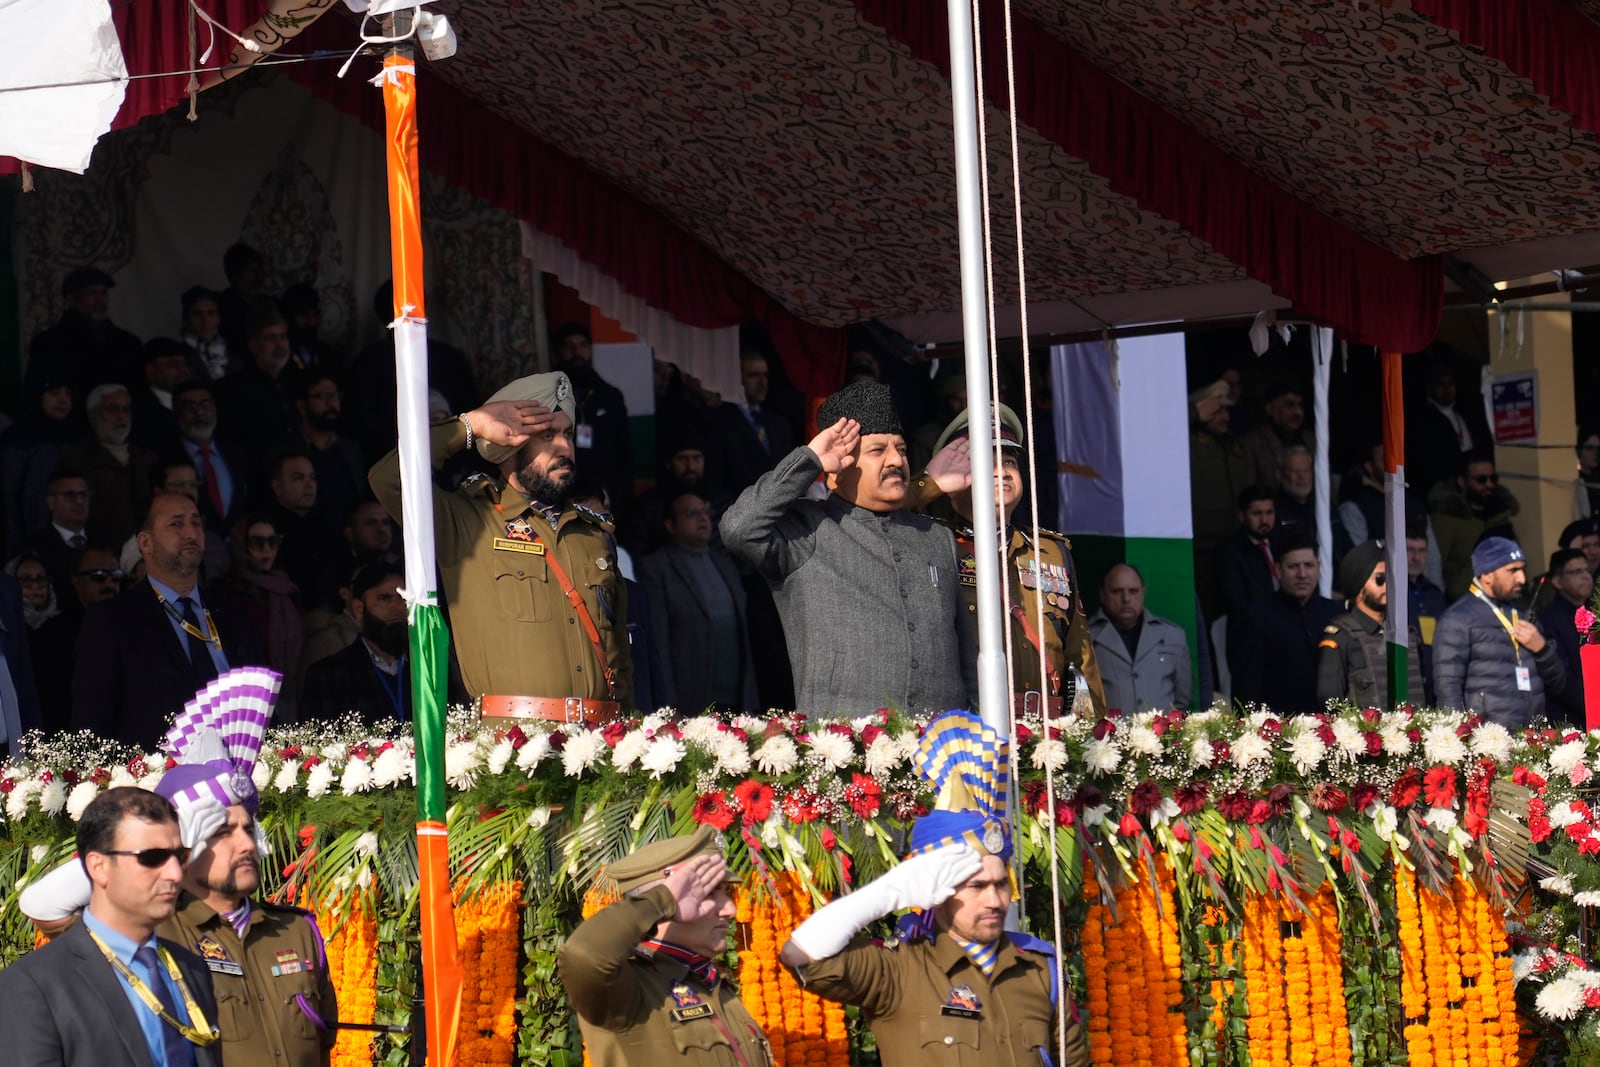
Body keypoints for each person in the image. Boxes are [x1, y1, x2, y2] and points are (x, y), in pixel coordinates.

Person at [22, 670, 336, 1067]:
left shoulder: (295, 930)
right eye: (220, 831)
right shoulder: (147, 932)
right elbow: (41, 903)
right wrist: (165, 844)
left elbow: (322, 1045)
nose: (245, 844)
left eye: (247, 828)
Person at [780, 709, 1089, 1067]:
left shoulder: (1039, 970)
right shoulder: (898, 971)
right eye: (976, 886)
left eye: (1001, 884)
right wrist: (891, 892)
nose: (995, 900)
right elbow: (801, 955)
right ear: (937, 889)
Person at [369, 371, 633, 713]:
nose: (565, 447)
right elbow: (388, 479)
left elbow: (620, 659)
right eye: (547, 435)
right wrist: (471, 425)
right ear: (511, 444)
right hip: (512, 749)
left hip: (601, 744)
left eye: (567, 433)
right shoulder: (465, 522)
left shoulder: (593, 534)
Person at [721, 381, 977, 716]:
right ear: (835, 473)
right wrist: (809, 460)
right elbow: (739, 528)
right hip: (845, 754)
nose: (895, 460)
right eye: (877, 451)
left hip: (945, 749)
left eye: (900, 449)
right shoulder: (806, 531)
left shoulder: (935, 537)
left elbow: (966, 657)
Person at [0, 787, 223, 1067]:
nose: (175, 873)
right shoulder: (35, 985)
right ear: (98, 867)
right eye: (152, 857)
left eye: (179, 857)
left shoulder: (192, 969)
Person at [913, 404, 1106, 716]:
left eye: (1009, 461)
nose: (1001, 470)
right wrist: (929, 485)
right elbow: (877, 521)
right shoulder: (930, 544)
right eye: (984, 463)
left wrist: (1090, 739)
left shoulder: (1051, 552)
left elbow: (1079, 657)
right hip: (967, 734)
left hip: (1046, 736)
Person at [557, 827, 765, 1067]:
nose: (730, 910)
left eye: (726, 893)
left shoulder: (712, 983)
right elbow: (584, 955)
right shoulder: (626, 990)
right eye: (709, 893)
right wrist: (660, 901)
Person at [71, 493, 263, 750]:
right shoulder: (112, 620)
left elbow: (262, 705)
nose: (191, 533)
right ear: (146, 543)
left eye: (196, 523)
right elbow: (91, 722)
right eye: (176, 524)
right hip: (156, 783)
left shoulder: (235, 616)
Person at [636, 491, 758, 712]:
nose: (703, 518)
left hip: (735, 697)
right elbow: (658, 641)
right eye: (692, 513)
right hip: (688, 699)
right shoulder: (656, 567)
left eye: (705, 511)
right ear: (671, 525)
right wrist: (668, 703)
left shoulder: (725, 564)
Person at [1433, 537, 1565, 727]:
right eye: (1512, 570)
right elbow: (1447, 690)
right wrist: (1460, 740)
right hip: (1488, 744)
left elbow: (1558, 683)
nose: (1522, 579)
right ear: (1486, 574)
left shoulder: (1524, 614)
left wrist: (1542, 649)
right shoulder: (1457, 619)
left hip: (1531, 741)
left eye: (1522, 569)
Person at [1227, 535, 1341, 712]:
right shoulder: (1255, 617)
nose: (1302, 574)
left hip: (1334, 728)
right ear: (1278, 570)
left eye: (1309, 565)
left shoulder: (1337, 614)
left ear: (1319, 568)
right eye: (1293, 567)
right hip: (1278, 729)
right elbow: (1245, 687)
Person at [208, 516, 304, 712]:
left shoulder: (286, 588)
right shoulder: (226, 591)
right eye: (257, 543)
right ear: (241, 546)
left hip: (289, 693)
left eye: (273, 542)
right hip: (246, 695)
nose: (267, 549)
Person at [1314, 540, 1425, 708]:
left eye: (1391, 578)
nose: (1388, 586)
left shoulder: (1406, 635)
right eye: (1380, 579)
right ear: (1359, 588)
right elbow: (1330, 704)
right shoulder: (1340, 637)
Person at [300, 561, 411, 725]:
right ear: (359, 609)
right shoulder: (326, 675)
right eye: (385, 598)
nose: (397, 606)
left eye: (403, 598)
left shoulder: (429, 667)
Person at [551, 322, 635, 518]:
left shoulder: (609, 396)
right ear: (558, 351)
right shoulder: (545, 397)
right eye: (569, 346)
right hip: (559, 493)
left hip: (605, 495)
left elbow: (624, 452)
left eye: (582, 346)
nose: (576, 352)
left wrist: (620, 496)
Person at [25, 266, 144, 400]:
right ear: (70, 300)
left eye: (104, 293)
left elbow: (138, 390)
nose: (100, 301)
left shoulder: (127, 343)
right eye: (92, 293)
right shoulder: (48, 344)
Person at [62, 383, 157, 550]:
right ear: (93, 416)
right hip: (102, 557)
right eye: (112, 409)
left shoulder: (148, 459)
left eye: (126, 409)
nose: (121, 416)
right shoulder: (77, 463)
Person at [1188, 379, 1252, 620]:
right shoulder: (1186, 442)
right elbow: (1159, 428)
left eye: (1227, 409)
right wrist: (1193, 412)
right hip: (1203, 550)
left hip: (1235, 544)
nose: (1225, 416)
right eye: (1217, 410)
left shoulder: (1234, 444)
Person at [1089, 563, 1191, 712]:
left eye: (1133, 591)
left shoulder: (1172, 636)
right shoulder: (1086, 638)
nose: (1126, 599)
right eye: (1117, 591)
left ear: (1143, 593)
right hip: (1109, 734)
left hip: (1163, 734)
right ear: (1102, 595)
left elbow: (1182, 700)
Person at [2, 372, 86, 554]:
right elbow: (9, 498)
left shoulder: (79, 438)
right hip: (29, 541)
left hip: (75, 539)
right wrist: (17, 548)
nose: (63, 399)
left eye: (68, 394)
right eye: (55, 393)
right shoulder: (18, 439)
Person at [1429, 452, 1521, 600]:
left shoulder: (1500, 516)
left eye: (1493, 479)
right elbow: (1434, 568)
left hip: (1505, 600)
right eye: (1481, 480)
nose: (1489, 485)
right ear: (1462, 482)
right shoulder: (1446, 520)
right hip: (1461, 603)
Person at [714, 350, 800, 497]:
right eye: (753, 375)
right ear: (737, 379)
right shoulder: (719, 421)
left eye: (765, 375)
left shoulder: (778, 422)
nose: (762, 382)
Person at [286, 374, 366, 531]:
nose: (331, 403)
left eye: (335, 395)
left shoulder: (351, 450)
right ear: (302, 406)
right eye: (322, 396)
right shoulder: (286, 449)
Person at [1537, 548, 1592, 729]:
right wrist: (1594, 708)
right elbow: (1562, 680)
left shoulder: (1594, 613)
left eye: (1587, 570)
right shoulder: (1549, 621)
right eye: (1577, 572)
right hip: (1570, 722)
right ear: (1558, 581)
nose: (1585, 576)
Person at [22, 467, 94, 602]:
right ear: (51, 502)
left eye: (84, 495)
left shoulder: (104, 543)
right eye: (70, 495)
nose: (79, 501)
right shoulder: (32, 549)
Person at [1212, 485, 1279, 619]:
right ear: (1242, 516)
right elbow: (1237, 602)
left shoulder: (1282, 543)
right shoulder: (1230, 552)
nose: (1264, 520)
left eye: (1269, 512)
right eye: (1257, 513)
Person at [1239, 382, 1310, 491]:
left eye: (1300, 405)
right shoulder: (1253, 443)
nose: (1298, 412)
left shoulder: (1311, 440)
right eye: (1289, 405)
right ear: (1270, 409)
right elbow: (1248, 490)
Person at [1405, 521, 1446, 705]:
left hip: (1434, 683)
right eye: (1410, 550)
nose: (1416, 557)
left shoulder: (1435, 594)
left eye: (1422, 551)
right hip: (1406, 681)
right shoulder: (1388, 593)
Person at [129, 338, 192, 456]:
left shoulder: (200, 401)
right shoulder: (139, 411)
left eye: (185, 364)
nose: (183, 370)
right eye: (173, 364)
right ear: (150, 370)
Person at [179, 286, 232, 381]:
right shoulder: (179, 357)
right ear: (186, 319)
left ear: (218, 318)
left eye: (211, 313)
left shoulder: (233, 351)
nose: (205, 320)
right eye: (197, 314)